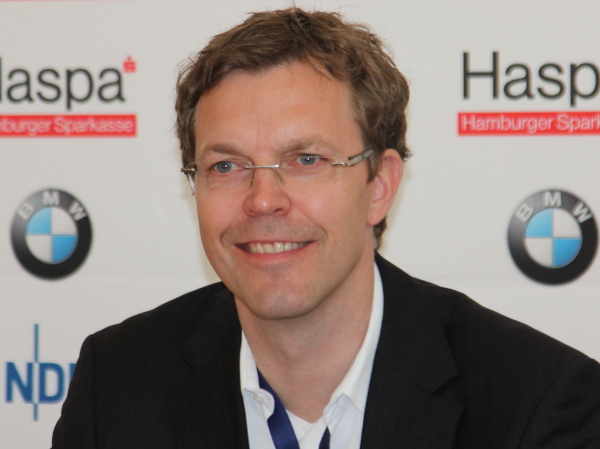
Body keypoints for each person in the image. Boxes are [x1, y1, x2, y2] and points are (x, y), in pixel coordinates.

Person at [52, 7, 600, 449]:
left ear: (378, 185)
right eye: (227, 165)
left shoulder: (534, 402)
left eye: (306, 160)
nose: (262, 200)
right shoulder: (116, 385)